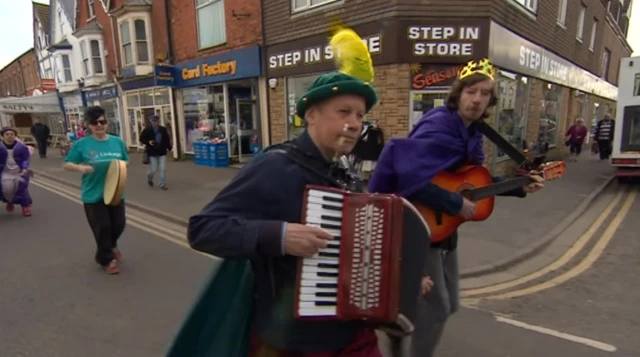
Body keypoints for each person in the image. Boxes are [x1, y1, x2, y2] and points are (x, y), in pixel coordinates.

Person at [184, 27, 390, 356]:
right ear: (311, 115)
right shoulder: (275, 166)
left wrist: (398, 277)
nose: (354, 123)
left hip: (353, 334)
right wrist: (279, 235)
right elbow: (203, 229)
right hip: (290, 342)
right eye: (343, 112)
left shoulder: (346, 172)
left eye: (360, 116)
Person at [367, 58, 545, 357]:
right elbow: (411, 178)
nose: (476, 100)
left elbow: (470, 182)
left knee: (449, 304)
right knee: (436, 308)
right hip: (420, 228)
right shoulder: (438, 126)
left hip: (445, 229)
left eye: (484, 93)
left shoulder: (473, 132)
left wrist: (519, 186)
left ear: (491, 100)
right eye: (471, 91)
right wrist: (453, 202)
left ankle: (396, 325)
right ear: (458, 93)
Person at [62, 106, 130, 275]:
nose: (99, 125)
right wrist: (81, 168)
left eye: (102, 121)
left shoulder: (117, 142)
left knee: (119, 224)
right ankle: (107, 260)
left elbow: (125, 161)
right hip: (93, 194)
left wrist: (118, 168)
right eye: (95, 122)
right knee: (103, 227)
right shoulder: (81, 144)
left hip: (115, 190)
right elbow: (66, 164)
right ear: (89, 125)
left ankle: (109, 247)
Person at [0, 127, 33, 217]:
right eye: (7, 134)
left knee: (21, 188)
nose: (9, 136)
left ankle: (25, 207)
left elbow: (25, 159)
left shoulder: (21, 147)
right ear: (3, 136)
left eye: (12, 134)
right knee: (7, 189)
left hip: (19, 171)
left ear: (15, 136)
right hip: (4, 172)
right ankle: (10, 202)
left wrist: (24, 168)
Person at [139, 115, 171, 190]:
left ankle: (162, 184)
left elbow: (167, 139)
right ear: (150, 121)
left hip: (162, 152)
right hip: (152, 152)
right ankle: (149, 177)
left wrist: (169, 147)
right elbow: (141, 138)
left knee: (162, 168)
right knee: (153, 169)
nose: (154, 123)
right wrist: (148, 142)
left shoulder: (163, 130)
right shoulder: (147, 130)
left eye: (156, 121)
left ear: (158, 121)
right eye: (153, 121)